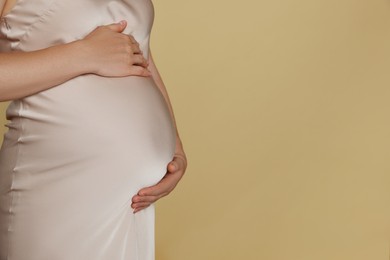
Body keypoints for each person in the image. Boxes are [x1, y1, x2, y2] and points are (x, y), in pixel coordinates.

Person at [0, 0, 187, 259]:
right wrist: (82, 54)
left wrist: (175, 146)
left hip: (130, 204)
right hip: (54, 190)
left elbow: (137, 51)